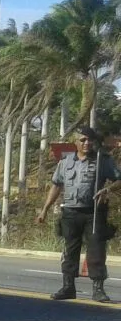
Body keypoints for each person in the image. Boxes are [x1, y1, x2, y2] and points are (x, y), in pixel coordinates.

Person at [37, 125, 121, 303]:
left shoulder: (102, 159)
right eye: (82, 140)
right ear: (75, 142)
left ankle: (98, 289)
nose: (86, 143)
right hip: (70, 212)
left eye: (90, 140)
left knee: (96, 251)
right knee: (69, 250)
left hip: (94, 212)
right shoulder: (66, 161)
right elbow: (56, 185)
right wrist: (44, 209)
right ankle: (68, 287)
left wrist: (107, 189)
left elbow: (118, 179)